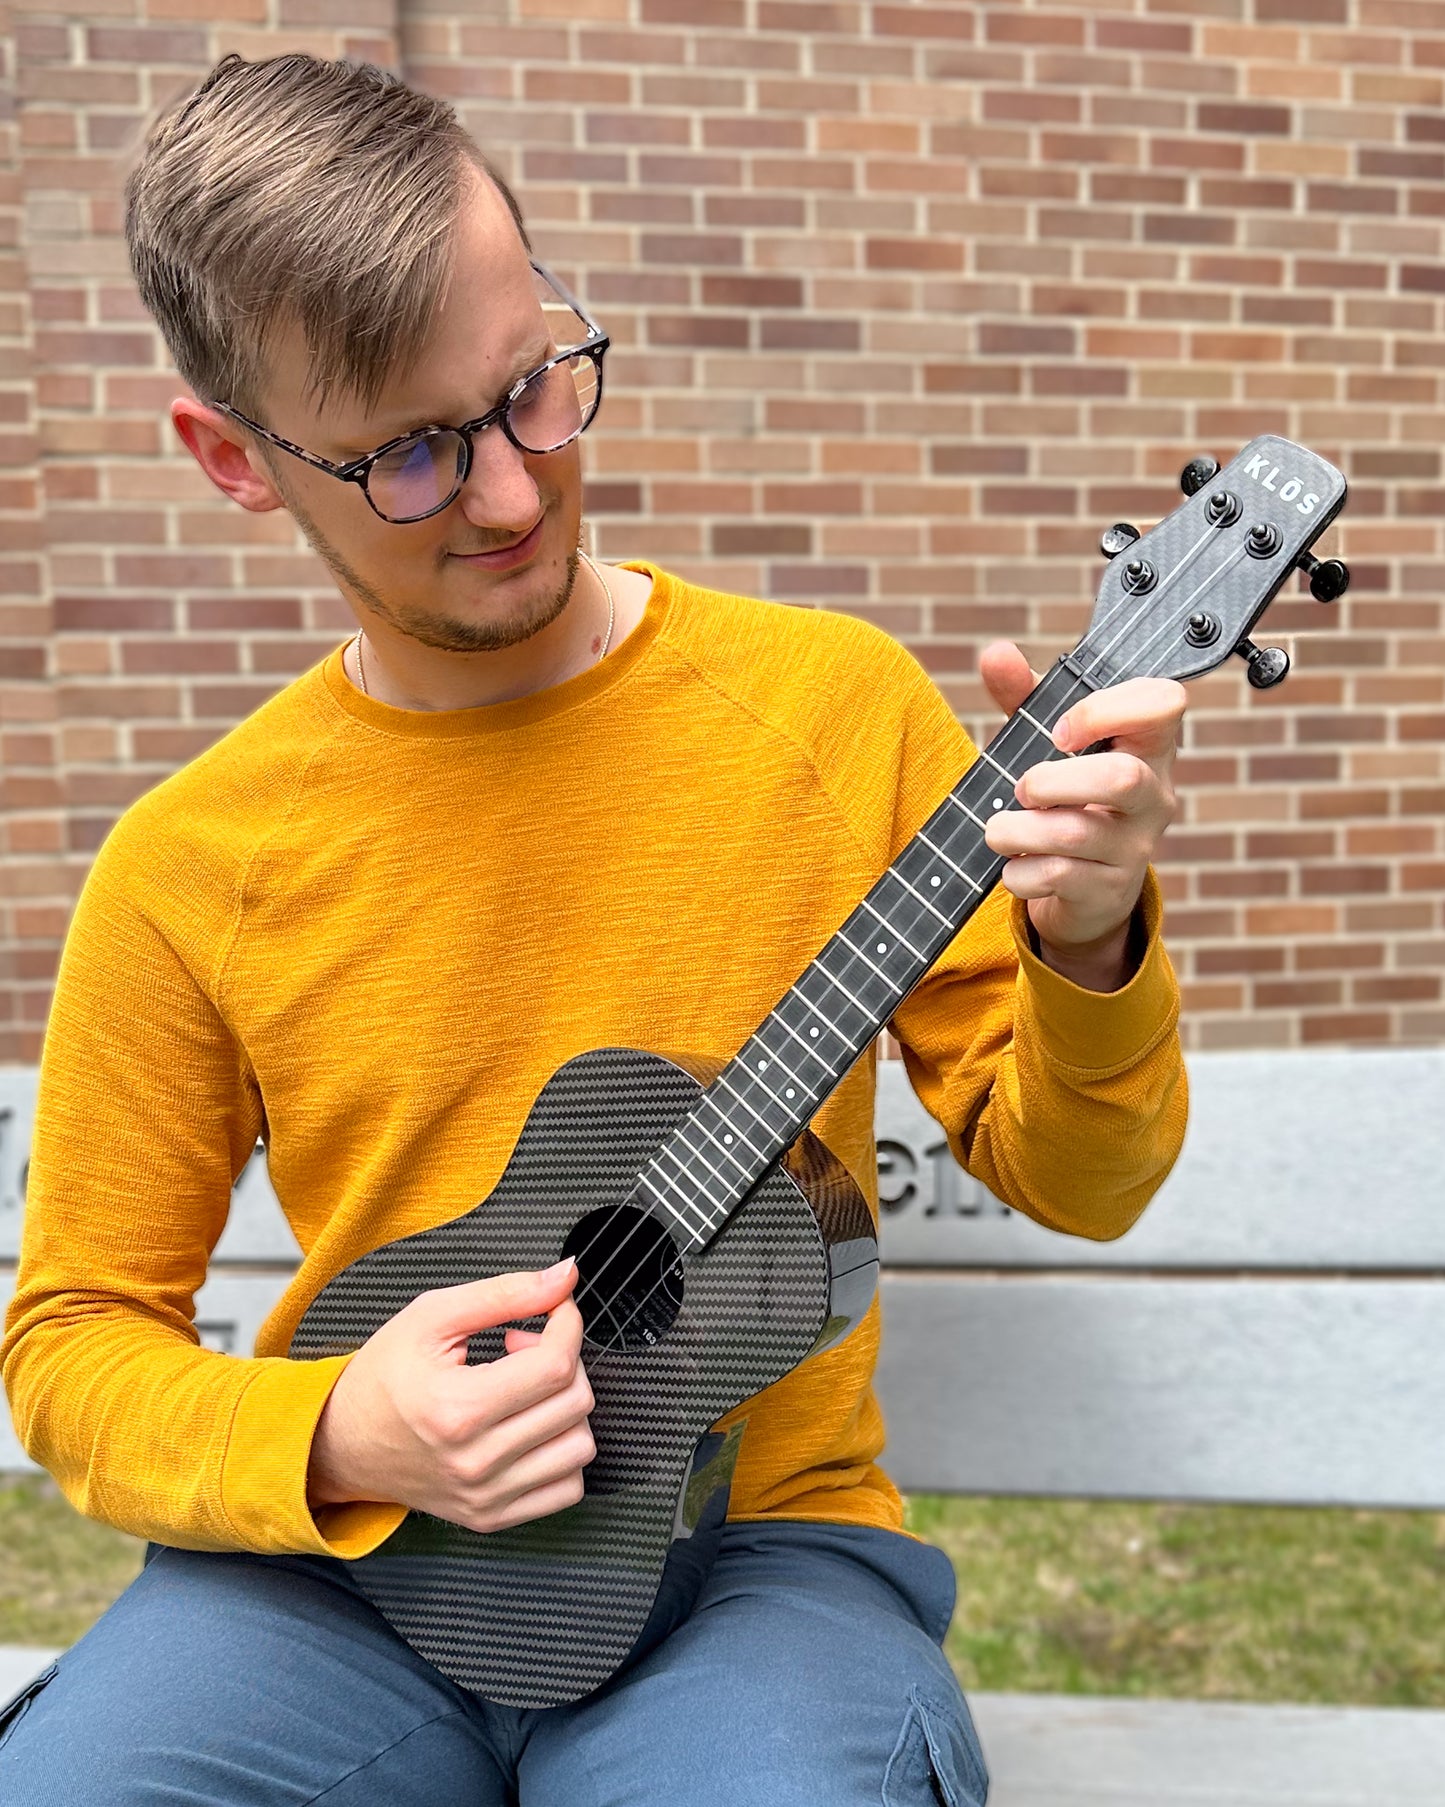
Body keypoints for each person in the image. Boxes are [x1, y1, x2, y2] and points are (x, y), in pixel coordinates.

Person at [0, 52, 1189, 1806]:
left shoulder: (832, 712)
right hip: (342, 1583)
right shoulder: (200, 860)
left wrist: (1089, 952)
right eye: (406, 453)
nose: (504, 491)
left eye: (531, 390)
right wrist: (338, 1429)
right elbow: (76, 1337)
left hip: (754, 1575)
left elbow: (1081, 1179)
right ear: (232, 459)